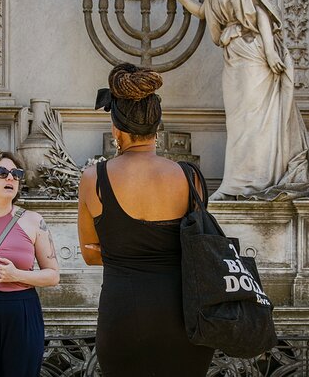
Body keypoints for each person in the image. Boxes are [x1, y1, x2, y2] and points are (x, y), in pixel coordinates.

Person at [148, 0, 309, 200]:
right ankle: (237, 182)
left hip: (252, 51)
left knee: (253, 119)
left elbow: (261, 13)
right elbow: (203, 13)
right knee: (238, 121)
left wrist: (270, 50)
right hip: (234, 54)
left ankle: (252, 182)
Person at [77, 63, 214, 377]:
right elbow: (199, 244)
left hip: (122, 315)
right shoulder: (188, 176)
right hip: (186, 316)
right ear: (158, 126)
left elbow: (88, 252)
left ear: (116, 129)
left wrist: (123, 255)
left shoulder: (93, 179)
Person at [0, 150, 60, 377]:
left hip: (22, 309)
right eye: (2, 172)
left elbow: (53, 275)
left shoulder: (34, 221)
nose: (11, 178)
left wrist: (18, 275)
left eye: (16, 174)